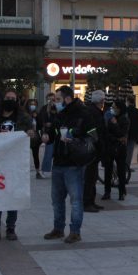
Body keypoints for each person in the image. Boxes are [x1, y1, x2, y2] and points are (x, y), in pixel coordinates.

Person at [41, 85, 95, 244]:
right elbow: (54, 134)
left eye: (58, 99)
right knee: (57, 199)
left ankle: (75, 231)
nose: (55, 102)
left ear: (68, 99)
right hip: (58, 162)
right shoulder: (59, 115)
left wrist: (75, 139)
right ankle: (58, 228)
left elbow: (93, 137)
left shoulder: (83, 114)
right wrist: (47, 136)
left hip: (74, 163)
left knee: (75, 199)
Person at [0, 89, 30, 242]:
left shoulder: (23, 118)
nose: (9, 100)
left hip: (15, 163)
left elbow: (32, 138)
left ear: (17, 100)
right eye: (7, 97)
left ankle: (10, 228)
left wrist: (31, 135)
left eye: (12, 98)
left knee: (12, 195)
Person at [83, 90, 108, 212]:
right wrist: (98, 141)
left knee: (93, 176)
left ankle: (91, 201)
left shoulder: (93, 110)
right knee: (90, 176)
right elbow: (93, 130)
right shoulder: (94, 112)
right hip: (93, 148)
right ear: (101, 101)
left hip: (94, 148)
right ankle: (87, 202)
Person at [102, 99, 130, 201]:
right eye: (112, 107)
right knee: (108, 170)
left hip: (120, 148)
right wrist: (116, 138)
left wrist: (115, 124)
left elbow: (122, 133)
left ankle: (121, 192)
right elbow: (107, 133)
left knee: (121, 170)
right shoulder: (110, 118)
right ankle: (107, 192)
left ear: (119, 109)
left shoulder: (124, 119)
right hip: (110, 147)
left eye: (114, 107)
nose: (112, 109)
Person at [39, 91, 58, 176]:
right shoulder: (44, 108)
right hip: (48, 132)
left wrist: (52, 123)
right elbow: (40, 119)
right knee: (48, 152)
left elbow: (59, 119)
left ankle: (56, 170)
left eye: (52, 99)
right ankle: (45, 170)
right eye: (49, 99)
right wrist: (44, 125)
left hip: (57, 132)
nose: (50, 101)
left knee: (57, 152)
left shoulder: (57, 107)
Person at [25, 97, 44, 179]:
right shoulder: (24, 115)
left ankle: (37, 172)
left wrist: (36, 117)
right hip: (25, 138)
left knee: (35, 155)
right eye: (31, 104)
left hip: (35, 138)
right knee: (24, 155)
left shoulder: (37, 114)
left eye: (34, 104)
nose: (33, 106)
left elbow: (40, 126)